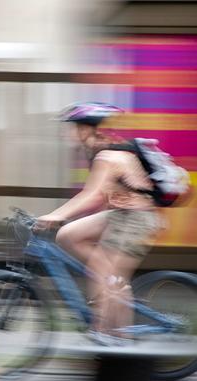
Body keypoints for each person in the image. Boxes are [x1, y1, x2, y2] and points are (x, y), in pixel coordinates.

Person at [36, 102, 163, 346]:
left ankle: (114, 334)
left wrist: (55, 215)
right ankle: (110, 281)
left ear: (85, 129)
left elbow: (92, 195)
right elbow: (104, 196)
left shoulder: (106, 155)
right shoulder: (100, 148)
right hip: (119, 215)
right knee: (68, 235)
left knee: (107, 272)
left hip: (137, 218)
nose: (68, 133)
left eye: (71, 127)